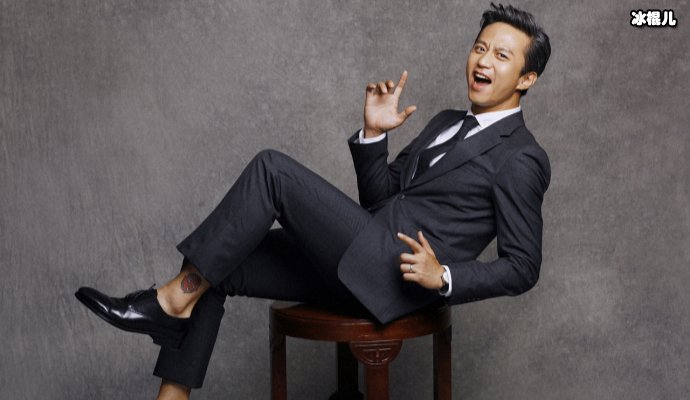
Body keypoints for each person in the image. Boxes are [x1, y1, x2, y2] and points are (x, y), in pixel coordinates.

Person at [75, 3, 551, 399]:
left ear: (526, 78)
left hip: (395, 280)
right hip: (359, 259)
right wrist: (373, 135)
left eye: (501, 56)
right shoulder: (447, 121)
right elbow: (380, 197)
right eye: (480, 48)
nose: (483, 61)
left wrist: (442, 275)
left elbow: (523, 266)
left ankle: (166, 302)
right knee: (222, 256)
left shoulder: (521, 157)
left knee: (272, 169)